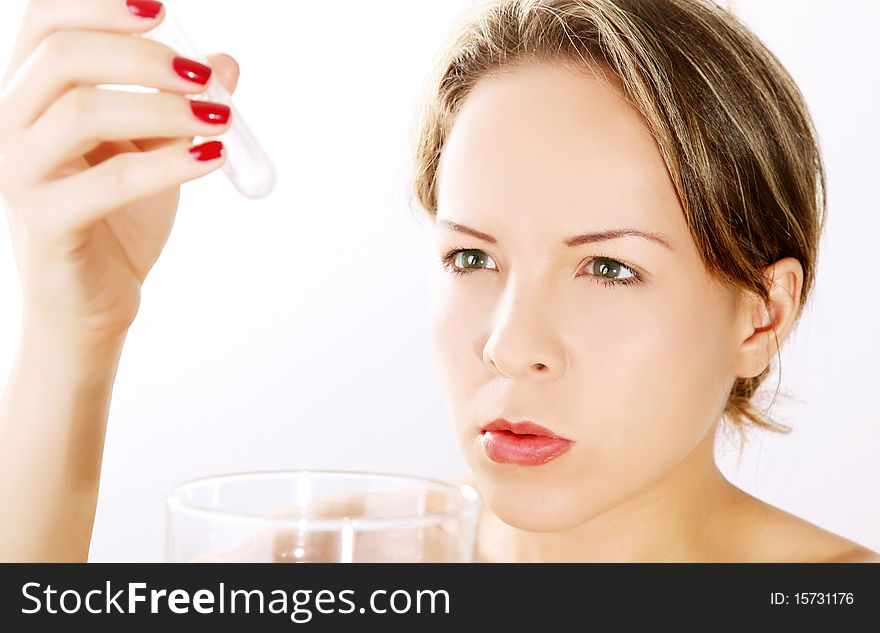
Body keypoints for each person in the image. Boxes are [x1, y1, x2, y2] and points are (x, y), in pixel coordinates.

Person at [0, 0, 876, 562]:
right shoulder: (335, 561)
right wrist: (75, 331)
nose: (508, 343)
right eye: (473, 257)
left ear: (763, 314)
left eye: (609, 267)